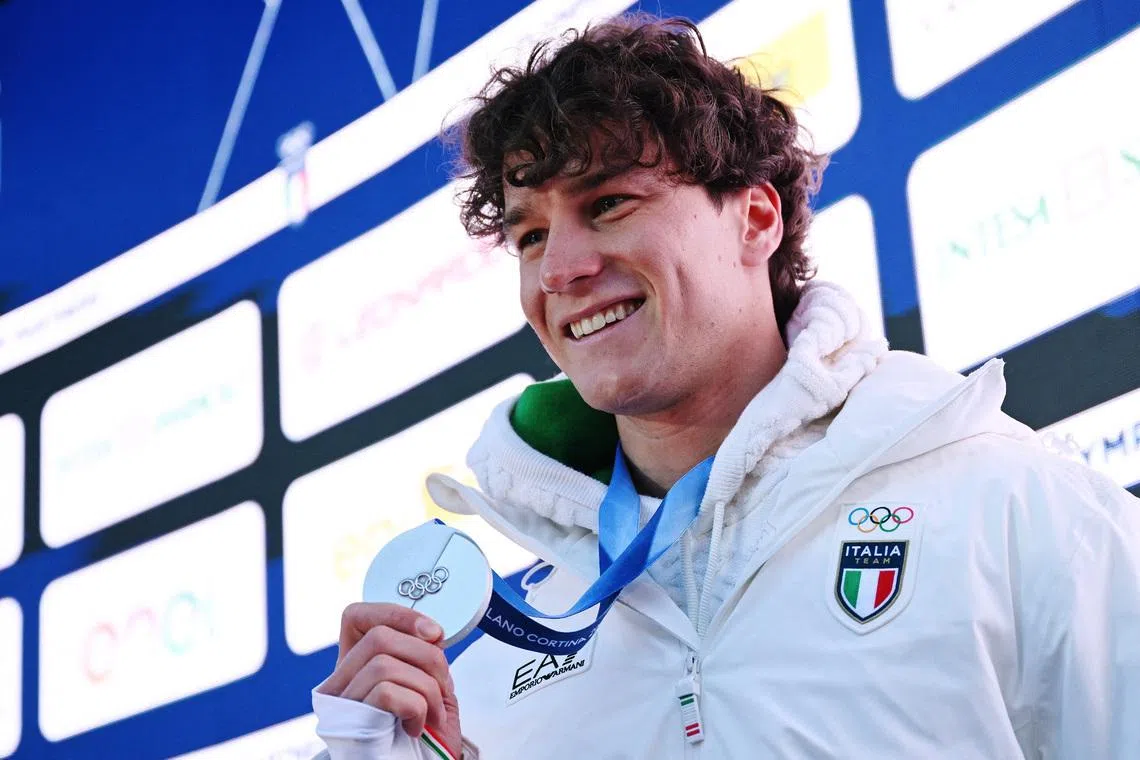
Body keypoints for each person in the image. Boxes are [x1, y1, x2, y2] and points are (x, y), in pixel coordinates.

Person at [311, 13, 1140, 759]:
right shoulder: (499, 655)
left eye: (609, 203)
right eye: (530, 235)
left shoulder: (1015, 508)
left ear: (756, 219)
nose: (560, 269)